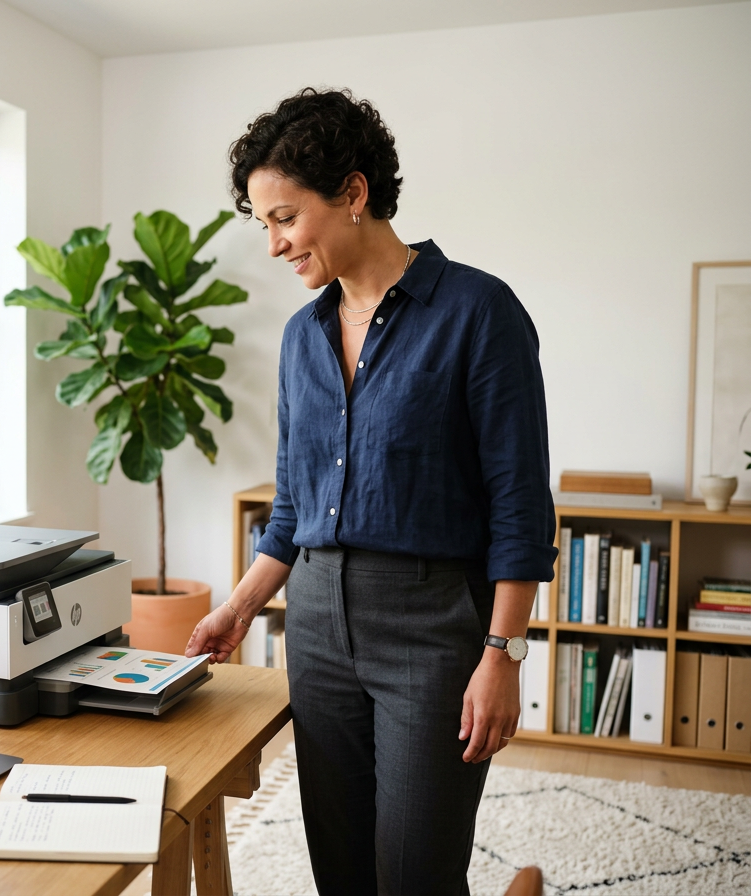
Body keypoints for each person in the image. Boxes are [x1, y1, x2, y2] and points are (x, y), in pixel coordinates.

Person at [185, 88, 557, 895]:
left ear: (353, 193)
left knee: (415, 872)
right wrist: (239, 608)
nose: (275, 245)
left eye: (286, 218)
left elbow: (520, 504)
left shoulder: (478, 311)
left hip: (434, 627)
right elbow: (293, 507)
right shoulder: (302, 337)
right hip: (317, 627)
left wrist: (503, 654)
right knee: (343, 871)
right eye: (265, 226)